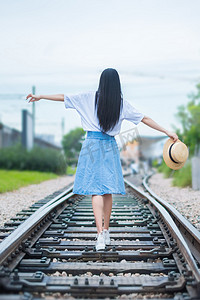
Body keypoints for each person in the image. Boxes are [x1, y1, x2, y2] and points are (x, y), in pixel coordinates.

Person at [26, 68, 178, 251]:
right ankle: (106, 231)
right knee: (107, 190)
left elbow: (63, 97)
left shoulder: (88, 97)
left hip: (92, 144)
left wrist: (40, 96)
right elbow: (145, 118)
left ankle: (99, 235)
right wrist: (166, 131)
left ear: (101, 82)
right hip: (110, 146)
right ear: (117, 85)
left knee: (95, 191)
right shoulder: (121, 104)